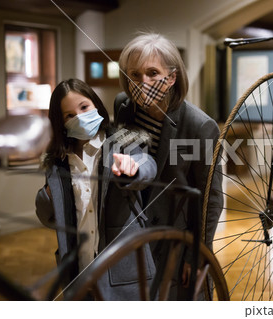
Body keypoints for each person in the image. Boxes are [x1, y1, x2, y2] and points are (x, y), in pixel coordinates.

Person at [114, 32, 223, 300]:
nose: (143, 83)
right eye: (135, 75)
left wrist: (196, 254)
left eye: (153, 73)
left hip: (176, 243)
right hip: (131, 239)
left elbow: (211, 199)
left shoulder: (200, 126)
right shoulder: (123, 107)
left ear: (172, 77)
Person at [35, 78, 157, 300]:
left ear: (96, 105)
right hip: (79, 273)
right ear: (60, 123)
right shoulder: (58, 163)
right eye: (69, 115)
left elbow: (148, 165)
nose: (80, 117)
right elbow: (49, 217)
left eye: (84, 107)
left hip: (124, 272)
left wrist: (133, 167)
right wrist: (47, 196)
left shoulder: (122, 143)